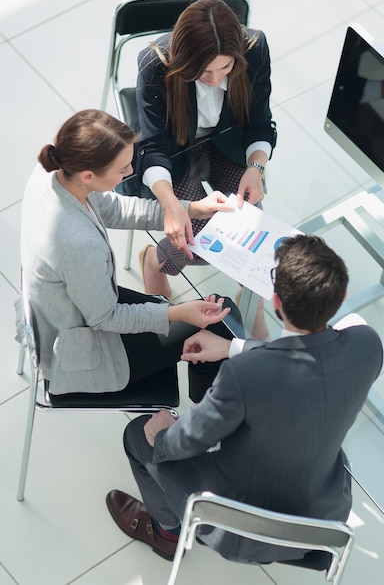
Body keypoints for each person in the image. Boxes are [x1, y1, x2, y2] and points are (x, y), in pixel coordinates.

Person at [106, 234, 383, 564]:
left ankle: (167, 532)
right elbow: (309, 357)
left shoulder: (246, 375)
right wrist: (230, 347)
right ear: (343, 297)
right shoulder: (368, 347)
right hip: (319, 523)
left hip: (238, 526)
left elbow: (188, 440)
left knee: (138, 435)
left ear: (276, 301)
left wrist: (162, 434)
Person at [19, 109, 237, 397]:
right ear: (88, 175)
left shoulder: (53, 174)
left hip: (68, 309)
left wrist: (191, 208)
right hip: (85, 347)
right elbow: (106, 319)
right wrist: (177, 312)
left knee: (194, 313)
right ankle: (208, 425)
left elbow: (118, 209)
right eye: (122, 169)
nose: (130, 172)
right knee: (224, 321)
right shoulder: (79, 244)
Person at [133, 0, 276, 340]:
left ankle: (248, 297)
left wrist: (256, 168)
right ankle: (155, 261)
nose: (214, 81)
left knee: (248, 238)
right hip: (174, 148)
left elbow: (260, 122)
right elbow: (151, 146)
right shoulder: (154, 64)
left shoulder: (255, 48)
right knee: (186, 240)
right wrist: (170, 203)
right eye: (203, 72)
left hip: (229, 142)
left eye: (225, 69)